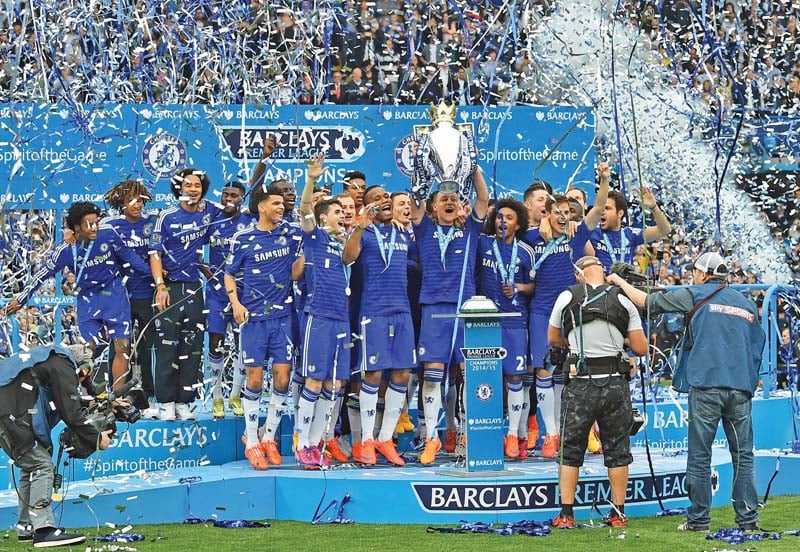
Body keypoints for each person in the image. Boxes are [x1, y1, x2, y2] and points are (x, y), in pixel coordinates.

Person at [608, 251, 765, 532]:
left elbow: (646, 302)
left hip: (706, 386)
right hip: (740, 388)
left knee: (700, 454)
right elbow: (758, 346)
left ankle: (699, 520)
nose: (693, 276)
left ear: (703, 274)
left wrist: (619, 281)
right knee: (743, 455)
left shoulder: (695, 293)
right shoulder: (746, 303)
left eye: (695, 272)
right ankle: (748, 520)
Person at [7, 202, 150, 393]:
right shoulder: (65, 249)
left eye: (96, 222)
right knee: (87, 350)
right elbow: (41, 274)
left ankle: (118, 399)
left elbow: (130, 257)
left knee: (122, 347)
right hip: (88, 299)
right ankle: (79, 396)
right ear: (76, 228)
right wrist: (21, 299)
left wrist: (157, 277)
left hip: (114, 293)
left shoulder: (108, 234)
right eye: (88, 224)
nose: (94, 228)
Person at [548, 255, 648, 528]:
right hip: (615, 383)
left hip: (579, 383)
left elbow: (553, 339)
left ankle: (566, 514)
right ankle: (618, 513)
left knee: (570, 450)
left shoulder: (566, 297)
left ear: (578, 274)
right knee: (617, 449)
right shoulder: (623, 300)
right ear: (602, 273)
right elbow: (641, 348)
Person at [524, 163, 610, 459]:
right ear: (547, 214)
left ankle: (569, 430)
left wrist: (605, 179)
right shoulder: (530, 238)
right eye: (556, 211)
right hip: (540, 312)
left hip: (572, 312)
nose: (563, 216)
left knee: (567, 374)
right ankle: (551, 435)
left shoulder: (575, 235)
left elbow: (598, 209)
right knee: (544, 372)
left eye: (567, 212)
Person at [410, 165, 489, 464]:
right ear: (432, 207)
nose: (449, 201)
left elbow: (483, 198)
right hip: (434, 309)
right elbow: (414, 199)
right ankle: (432, 437)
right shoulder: (424, 227)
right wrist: (422, 169)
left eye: (454, 197)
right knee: (432, 376)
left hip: (465, 309)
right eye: (443, 198)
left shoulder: (469, 229)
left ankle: (467, 435)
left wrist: (472, 166)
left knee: (469, 375)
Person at [0, 343, 112, 547]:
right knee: (42, 466)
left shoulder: (48, 358)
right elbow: (71, 413)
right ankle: (44, 530)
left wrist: (100, 401)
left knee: (31, 466)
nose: (83, 380)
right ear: (82, 367)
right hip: (11, 413)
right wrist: (97, 438)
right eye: (85, 375)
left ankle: (27, 526)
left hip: (8, 410)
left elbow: (64, 399)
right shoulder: (63, 363)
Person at [225, 183, 302, 470]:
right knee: (255, 380)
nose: (282, 208)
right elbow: (229, 275)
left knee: (283, 378)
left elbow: (294, 273)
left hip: (283, 317)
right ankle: (252, 440)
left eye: (283, 204)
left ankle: (269, 436)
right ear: (261, 207)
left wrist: (306, 257)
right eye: (276, 203)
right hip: (254, 319)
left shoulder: (291, 233)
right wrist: (236, 304)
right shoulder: (243, 238)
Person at [343, 185, 414, 466]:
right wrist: (361, 225)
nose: (383, 201)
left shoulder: (401, 231)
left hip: (402, 311)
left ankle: (385, 438)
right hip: (373, 312)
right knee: (372, 375)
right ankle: (367, 440)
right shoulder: (364, 232)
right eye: (376, 199)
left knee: (402, 375)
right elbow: (347, 258)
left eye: (386, 197)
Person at [149, 168, 224, 421]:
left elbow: (236, 205)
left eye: (198, 185)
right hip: (169, 287)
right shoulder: (166, 216)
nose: (193, 189)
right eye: (188, 185)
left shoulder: (209, 211)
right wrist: (160, 286)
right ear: (178, 189)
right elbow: (154, 253)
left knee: (192, 346)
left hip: (193, 287)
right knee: (167, 345)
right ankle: (166, 402)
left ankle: (185, 401)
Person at [294, 154, 351, 469]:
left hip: (342, 317)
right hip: (318, 316)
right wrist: (311, 179)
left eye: (344, 212)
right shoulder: (314, 236)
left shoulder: (343, 243)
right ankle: (302, 444)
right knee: (314, 382)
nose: (343, 215)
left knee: (334, 385)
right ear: (323, 217)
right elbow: (304, 210)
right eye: (337, 212)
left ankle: (316, 445)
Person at [476, 198, 536, 460]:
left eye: (509, 218)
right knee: (486, 379)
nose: (503, 221)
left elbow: (535, 286)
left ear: (518, 223)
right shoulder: (483, 243)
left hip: (514, 320)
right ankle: (483, 435)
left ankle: (513, 434)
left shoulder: (526, 251)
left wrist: (519, 288)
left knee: (515, 378)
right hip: (486, 321)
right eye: (499, 217)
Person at [103, 180, 159, 416]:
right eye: (130, 200)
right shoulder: (110, 225)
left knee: (148, 348)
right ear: (121, 202)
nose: (136, 205)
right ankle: (114, 396)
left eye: (140, 200)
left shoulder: (154, 222)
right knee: (118, 348)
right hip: (120, 297)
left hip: (147, 295)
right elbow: (82, 226)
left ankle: (148, 398)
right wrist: (68, 231)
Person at [590, 188, 672, 273]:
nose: (602, 212)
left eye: (607, 208)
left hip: (625, 284)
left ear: (620, 213)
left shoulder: (630, 234)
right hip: (601, 284)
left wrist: (654, 207)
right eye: (601, 208)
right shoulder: (591, 232)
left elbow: (665, 230)